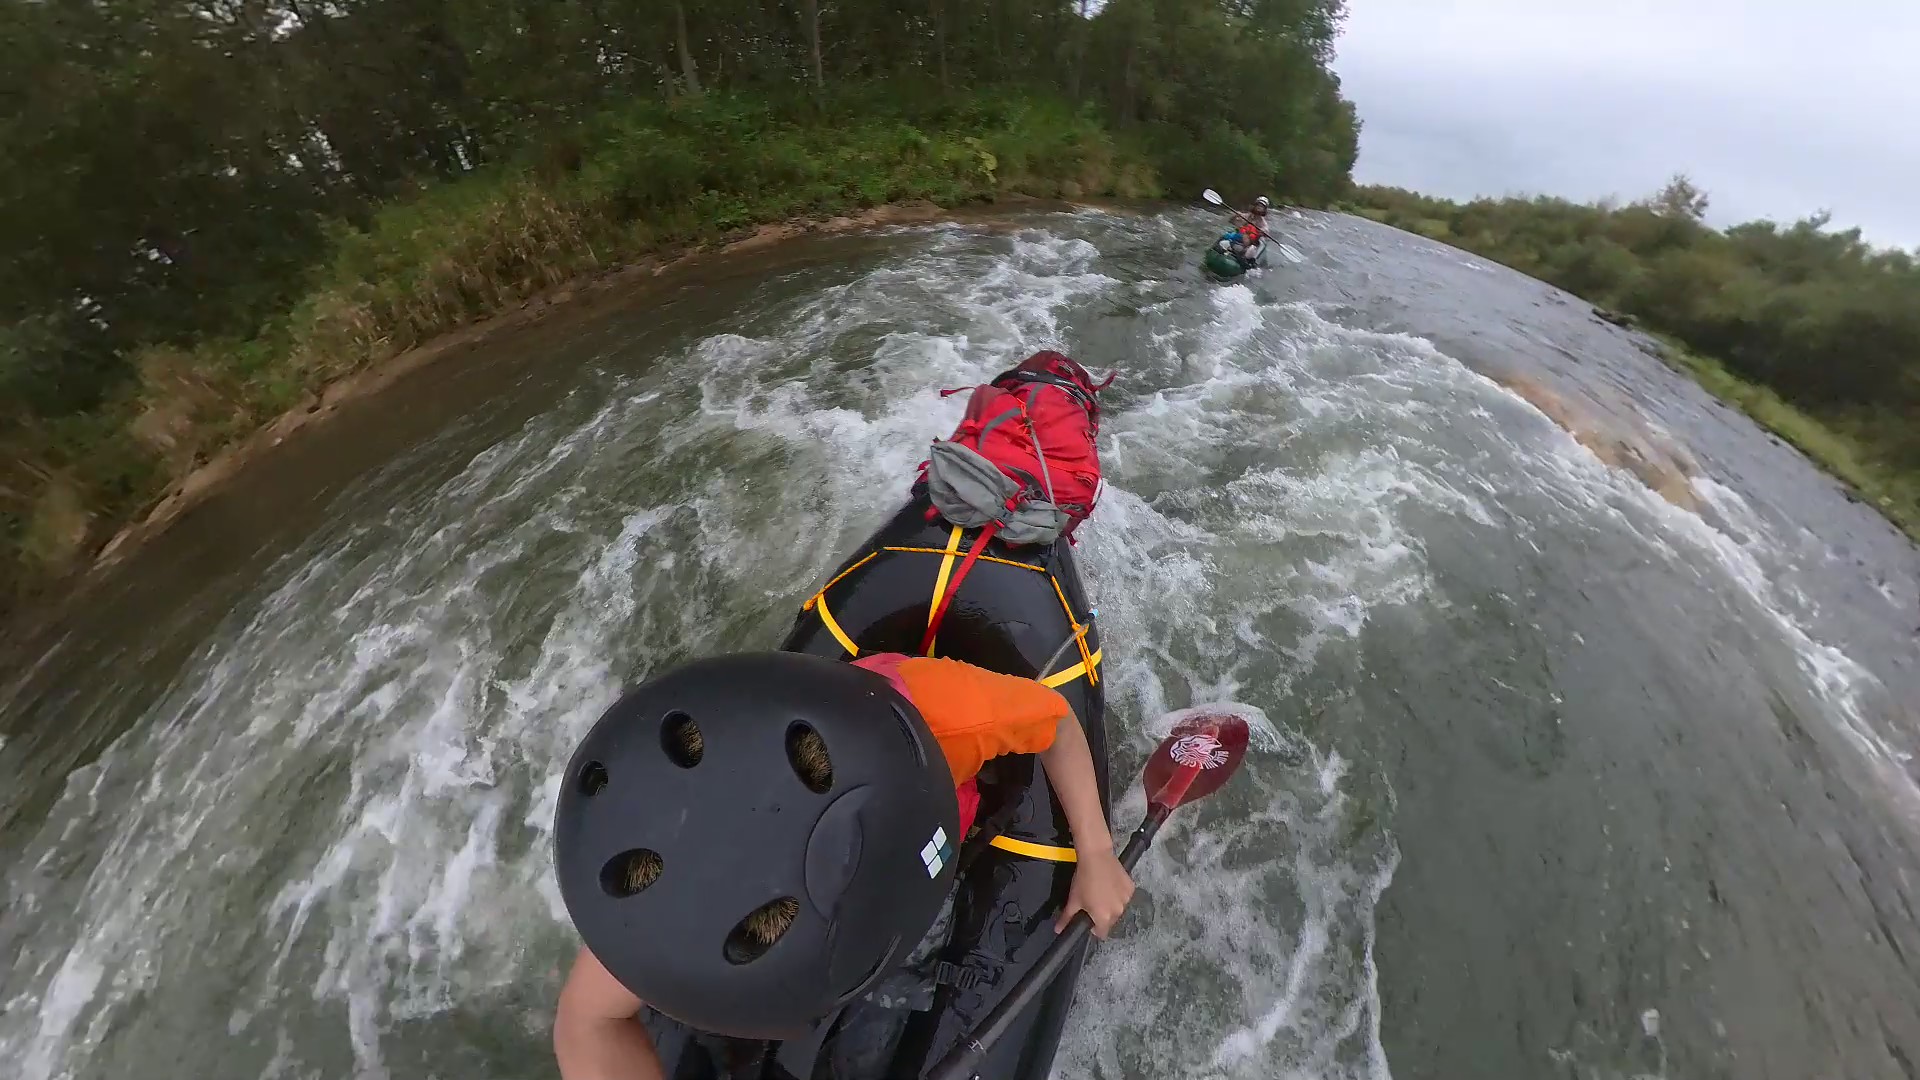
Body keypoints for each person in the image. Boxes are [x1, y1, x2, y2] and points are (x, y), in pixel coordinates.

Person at [550, 651, 1132, 1080]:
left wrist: (1098, 852)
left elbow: (1053, 720)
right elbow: (585, 1024)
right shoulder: (655, 896)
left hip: (919, 826)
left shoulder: (948, 717)